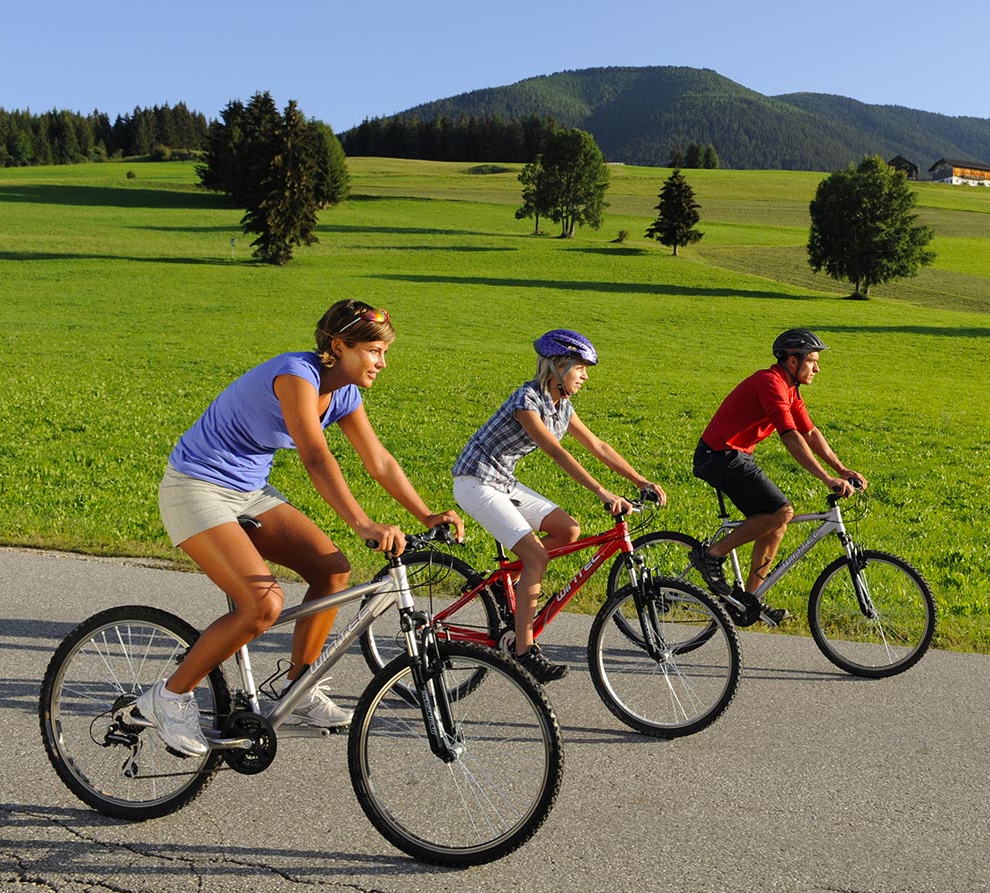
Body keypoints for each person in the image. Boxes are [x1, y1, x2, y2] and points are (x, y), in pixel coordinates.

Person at [132, 299, 465, 757]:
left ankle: (300, 686)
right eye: (373, 351)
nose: (382, 363)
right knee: (263, 604)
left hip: (248, 491)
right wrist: (363, 522)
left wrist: (426, 514)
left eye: (384, 353)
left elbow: (379, 460)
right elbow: (314, 455)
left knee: (331, 571)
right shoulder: (295, 375)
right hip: (197, 488)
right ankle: (167, 697)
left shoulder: (345, 392)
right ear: (338, 346)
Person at [452, 329, 665, 683]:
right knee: (537, 557)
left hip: (502, 481)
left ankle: (505, 584)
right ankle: (523, 651)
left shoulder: (562, 405)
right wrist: (603, 492)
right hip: (475, 481)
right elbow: (557, 452)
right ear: (557, 366)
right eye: (580, 367)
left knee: (568, 530)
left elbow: (598, 446)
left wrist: (640, 481)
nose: (585, 375)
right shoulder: (528, 400)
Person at [687, 328, 867, 624]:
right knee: (781, 511)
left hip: (735, 455)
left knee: (777, 522)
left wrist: (842, 470)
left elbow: (809, 432)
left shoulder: (790, 389)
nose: (818, 368)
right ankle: (711, 555)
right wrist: (826, 479)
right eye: (812, 361)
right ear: (792, 362)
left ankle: (748, 601)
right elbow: (790, 436)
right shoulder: (769, 383)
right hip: (719, 455)